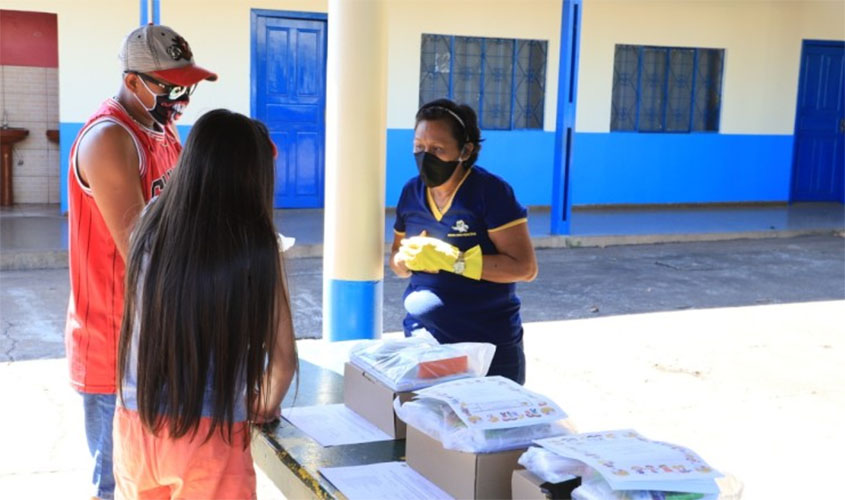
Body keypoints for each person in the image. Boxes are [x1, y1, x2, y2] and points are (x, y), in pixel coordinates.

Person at [64, 24, 216, 499]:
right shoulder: (110, 139)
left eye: (186, 85)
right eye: (169, 86)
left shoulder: (164, 131)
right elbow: (143, 253)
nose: (180, 97)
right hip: (115, 346)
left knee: (160, 479)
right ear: (132, 82)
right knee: (120, 484)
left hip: (162, 338)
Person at [114, 109, 297, 499]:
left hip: (135, 423)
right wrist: (262, 404)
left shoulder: (148, 221)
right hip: (210, 439)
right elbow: (283, 362)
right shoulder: (256, 244)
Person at [389, 98, 538, 385]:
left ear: (465, 150)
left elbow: (525, 268)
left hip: (487, 348)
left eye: (437, 149)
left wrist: (454, 260)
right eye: (419, 147)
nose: (425, 156)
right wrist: (404, 259)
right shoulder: (411, 193)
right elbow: (396, 260)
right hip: (424, 344)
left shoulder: (490, 193)